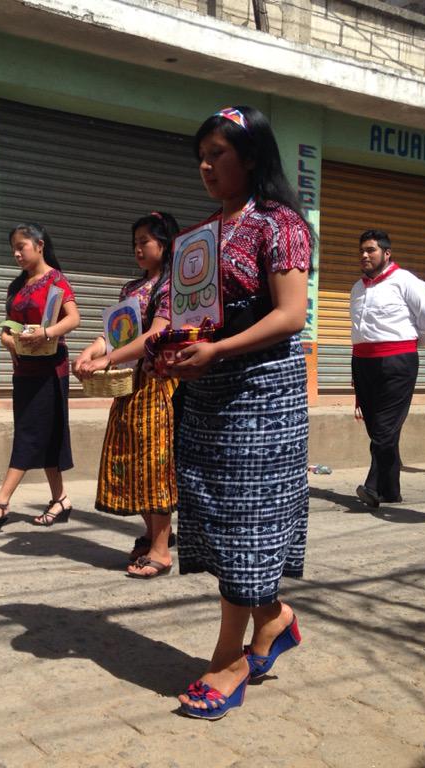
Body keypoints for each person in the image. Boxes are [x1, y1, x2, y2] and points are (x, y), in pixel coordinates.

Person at [158, 106, 311, 720]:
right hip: (206, 396)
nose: (205, 165)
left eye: (216, 153)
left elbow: (291, 314)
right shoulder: (198, 235)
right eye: (200, 156)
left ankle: (229, 660)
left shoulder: (280, 224)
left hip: (263, 396)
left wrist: (218, 350)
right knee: (218, 518)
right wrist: (111, 353)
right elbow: (173, 318)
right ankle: (274, 619)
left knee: (247, 524)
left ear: (250, 157)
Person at [74, 212, 181, 578]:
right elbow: (114, 335)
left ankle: (161, 551)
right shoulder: (131, 289)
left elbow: (155, 334)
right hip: (128, 388)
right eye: (134, 242)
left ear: (164, 244)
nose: (137, 248)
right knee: (132, 462)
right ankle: (153, 535)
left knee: (155, 465)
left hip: (157, 386)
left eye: (144, 241)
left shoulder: (173, 286)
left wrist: (108, 358)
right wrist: (90, 352)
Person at [0, 223, 81, 528]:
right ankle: (61, 500)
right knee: (43, 434)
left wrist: (47, 332)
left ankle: (1, 502)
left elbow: (74, 318)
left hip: (49, 369)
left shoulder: (56, 281)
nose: (17, 254)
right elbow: (9, 327)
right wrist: (8, 340)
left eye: (22, 247)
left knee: (29, 433)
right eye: (13, 249)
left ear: (40, 245)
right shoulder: (16, 286)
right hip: (24, 370)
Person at [351, 230, 425, 508]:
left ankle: (373, 486)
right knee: (379, 428)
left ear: (387, 253)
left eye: (371, 250)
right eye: (362, 250)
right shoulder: (357, 288)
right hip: (363, 363)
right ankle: (391, 490)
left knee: (385, 428)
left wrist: (408, 347)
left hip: (397, 362)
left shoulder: (407, 282)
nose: (365, 255)